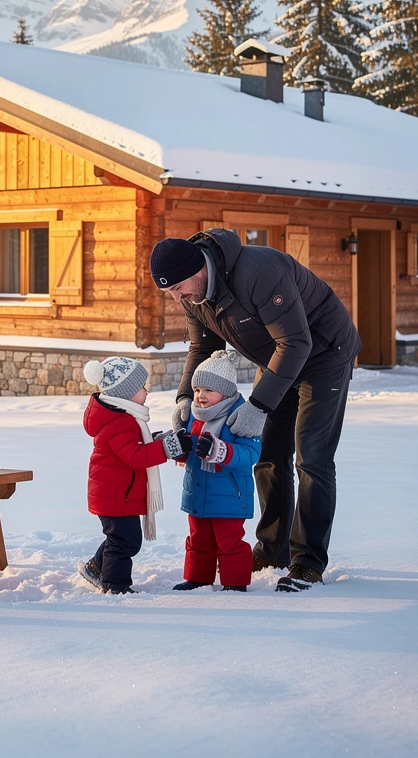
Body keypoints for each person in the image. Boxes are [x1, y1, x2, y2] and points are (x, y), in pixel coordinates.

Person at [149, 228, 360, 592]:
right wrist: (185, 398)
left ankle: (307, 562)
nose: (175, 298)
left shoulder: (258, 272)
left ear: (199, 268)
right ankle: (272, 548)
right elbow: (202, 349)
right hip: (277, 359)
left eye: (178, 288)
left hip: (325, 354)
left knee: (312, 457)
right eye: (168, 291)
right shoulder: (194, 295)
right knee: (267, 455)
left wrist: (259, 405)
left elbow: (296, 341)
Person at [164, 350, 261, 592]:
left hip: (230, 494)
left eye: (208, 390)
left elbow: (250, 453)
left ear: (226, 391)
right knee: (198, 540)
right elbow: (190, 455)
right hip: (198, 491)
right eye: (197, 390)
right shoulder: (193, 417)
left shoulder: (240, 417)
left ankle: (235, 583)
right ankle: (198, 578)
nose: (200, 396)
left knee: (229, 542)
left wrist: (223, 451)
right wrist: (178, 448)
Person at [78, 356, 169, 595]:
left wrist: (157, 441)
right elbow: (136, 456)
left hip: (116, 494)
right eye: (141, 387)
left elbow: (135, 447)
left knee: (119, 538)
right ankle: (115, 584)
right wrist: (166, 449)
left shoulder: (122, 418)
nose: (147, 391)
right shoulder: (120, 422)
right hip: (115, 497)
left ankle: (96, 567)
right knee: (125, 540)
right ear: (126, 394)